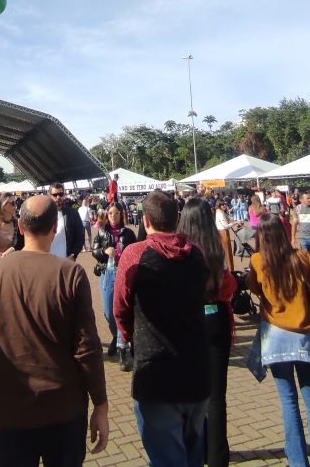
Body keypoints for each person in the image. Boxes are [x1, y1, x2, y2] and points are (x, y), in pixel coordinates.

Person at [0, 195, 108, 465]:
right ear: (55, 228)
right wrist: (100, 404)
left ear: (20, 227)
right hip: (63, 411)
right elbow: (87, 348)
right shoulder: (71, 274)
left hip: (9, 411)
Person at [114, 190, 210, 466]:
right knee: (193, 453)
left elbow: (120, 307)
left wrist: (130, 337)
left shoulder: (135, 254)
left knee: (167, 457)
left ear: (145, 220)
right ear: (177, 218)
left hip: (156, 372)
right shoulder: (196, 253)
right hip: (196, 368)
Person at [247, 213, 310, 467]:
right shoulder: (302, 257)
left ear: (260, 236)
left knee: (288, 401)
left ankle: (297, 461)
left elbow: (254, 289)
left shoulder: (257, 261)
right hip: (305, 336)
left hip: (275, 338)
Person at [178, 198, 237, 467]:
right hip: (217, 321)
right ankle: (217, 457)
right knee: (217, 397)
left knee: (192, 393)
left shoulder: (181, 250)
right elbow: (227, 286)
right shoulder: (214, 248)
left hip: (190, 322)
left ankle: (196, 452)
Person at [91, 204, 137, 364]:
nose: (113, 216)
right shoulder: (102, 232)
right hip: (107, 273)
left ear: (121, 214)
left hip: (124, 273)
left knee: (122, 309)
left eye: (116, 213)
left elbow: (135, 252)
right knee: (108, 311)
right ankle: (116, 336)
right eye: (110, 213)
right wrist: (104, 252)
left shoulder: (129, 233)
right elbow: (94, 251)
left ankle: (121, 345)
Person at [48, 184, 84, 260]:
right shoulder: (44, 214)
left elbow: (80, 237)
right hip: (47, 262)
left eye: (60, 194)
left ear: (64, 195)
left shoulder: (73, 213)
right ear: (50, 196)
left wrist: (73, 255)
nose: (58, 197)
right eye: (55, 195)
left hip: (66, 262)